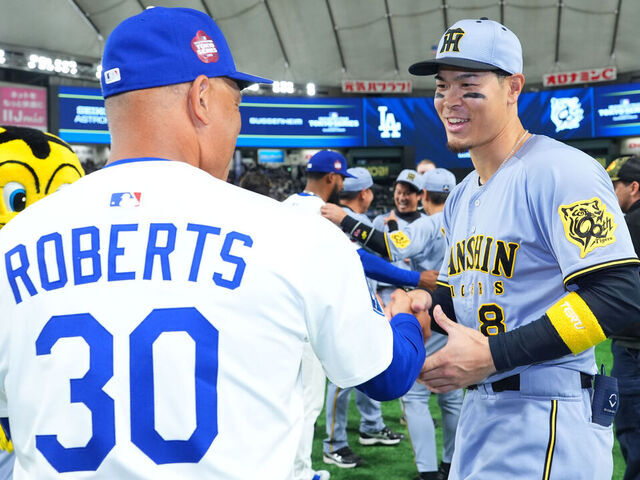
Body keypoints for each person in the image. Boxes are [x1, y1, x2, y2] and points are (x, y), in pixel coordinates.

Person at [0, 8, 431, 480]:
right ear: (201, 98)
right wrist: (408, 317)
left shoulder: (13, 240)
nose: (238, 123)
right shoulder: (291, 234)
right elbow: (387, 375)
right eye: (236, 105)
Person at [408, 18, 640, 479]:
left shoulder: (560, 170)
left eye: (469, 87)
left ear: (513, 87)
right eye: (442, 87)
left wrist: (494, 356)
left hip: (549, 410)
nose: (450, 101)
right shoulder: (461, 195)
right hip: (484, 407)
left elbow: (620, 293)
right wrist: (423, 307)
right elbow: (462, 290)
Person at [283, 152, 419, 479]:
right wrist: (415, 280)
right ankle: (299, 470)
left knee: (287, 398)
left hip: (282, 314)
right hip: (313, 317)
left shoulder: (284, 205)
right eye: (340, 178)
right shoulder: (328, 213)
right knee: (310, 401)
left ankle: (289, 467)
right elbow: (362, 261)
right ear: (332, 179)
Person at [322, 169, 463, 479]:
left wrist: (344, 221)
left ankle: (428, 471)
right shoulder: (465, 221)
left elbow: (388, 245)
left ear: (423, 196)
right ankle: (452, 464)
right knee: (452, 394)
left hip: (423, 309)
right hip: (460, 312)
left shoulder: (426, 225)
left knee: (415, 395)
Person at [322, 167, 405, 471]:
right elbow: (368, 262)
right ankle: (334, 444)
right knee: (340, 379)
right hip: (340, 309)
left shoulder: (337, 216)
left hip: (361, 305)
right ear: (365, 193)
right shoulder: (337, 220)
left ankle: (371, 426)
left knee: (368, 364)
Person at [608, 155, 640, 480]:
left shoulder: (627, 226)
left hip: (634, 350)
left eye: (615, 185)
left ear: (634, 187)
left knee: (636, 444)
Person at [372, 169, 425, 304]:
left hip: (419, 292)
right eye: (399, 192)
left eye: (407, 193)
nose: (402, 198)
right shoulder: (380, 221)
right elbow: (371, 260)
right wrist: (373, 293)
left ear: (419, 195)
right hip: (387, 292)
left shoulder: (427, 223)